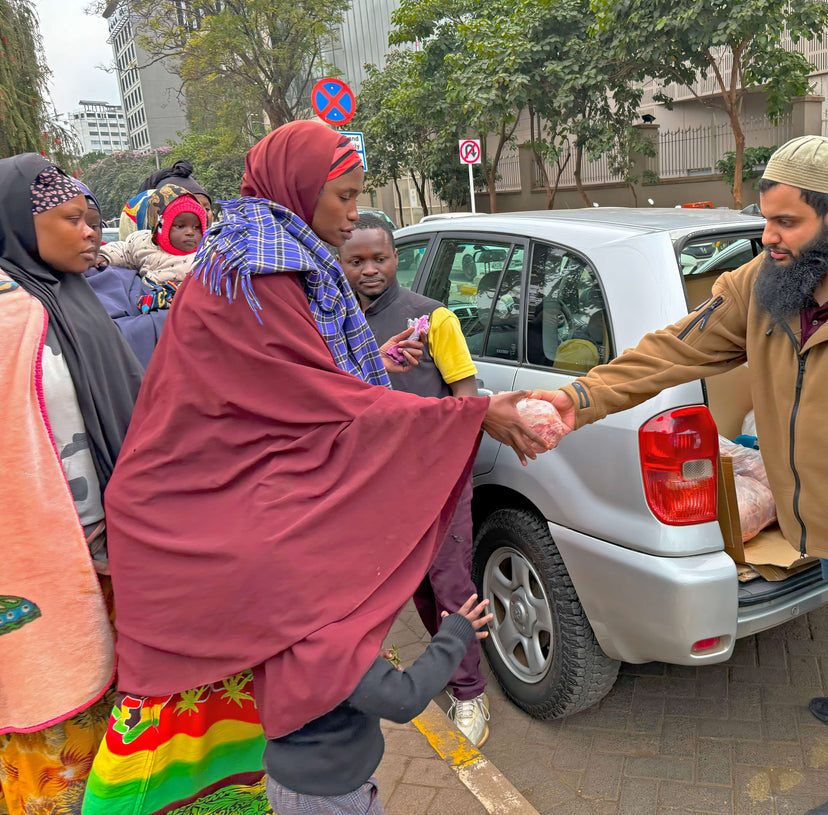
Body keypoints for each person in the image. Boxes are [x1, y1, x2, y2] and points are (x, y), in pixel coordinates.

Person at [530, 136, 828, 815]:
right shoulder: (765, 286)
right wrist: (578, 397)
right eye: (765, 219)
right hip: (808, 518)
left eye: (786, 222)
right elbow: (673, 350)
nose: (769, 238)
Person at [82, 120, 543, 815]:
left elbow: (299, 382)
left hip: (213, 492)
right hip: (218, 508)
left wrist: (376, 371)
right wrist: (474, 415)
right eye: (346, 195)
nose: (355, 212)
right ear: (301, 188)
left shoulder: (262, 254)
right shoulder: (264, 271)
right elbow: (315, 402)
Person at [0, 154, 142, 815]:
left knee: (125, 735)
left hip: (117, 556)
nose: (91, 231)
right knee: (57, 753)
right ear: (22, 227)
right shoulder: (7, 315)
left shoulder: (78, 301)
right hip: (44, 570)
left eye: (92, 218)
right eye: (72, 218)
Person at [339, 214, 491, 745]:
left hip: (438, 482)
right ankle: (437, 671)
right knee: (411, 588)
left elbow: (466, 399)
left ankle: (470, 693)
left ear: (396, 256)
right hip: (374, 486)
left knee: (451, 584)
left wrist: (453, 470)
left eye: (379, 258)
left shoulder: (432, 320)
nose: (369, 270)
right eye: (355, 261)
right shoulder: (334, 325)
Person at [265, 594, 492, 815]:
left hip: (288, 779)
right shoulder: (334, 646)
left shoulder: (290, 627)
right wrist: (454, 634)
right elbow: (404, 699)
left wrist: (365, 659)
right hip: (329, 797)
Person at [75, 180, 170, 368]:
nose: (88, 233)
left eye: (94, 225)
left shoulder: (125, 279)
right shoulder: (27, 294)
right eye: (72, 222)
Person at [100, 183, 208, 286]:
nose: (190, 232)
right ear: (160, 227)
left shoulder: (207, 256)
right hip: (146, 299)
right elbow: (124, 251)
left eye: (196, 227)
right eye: (180, 226)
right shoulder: (143, 243)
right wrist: (104, 256)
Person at [119, 159, 214, 240]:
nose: (202, 215)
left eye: (207, 209)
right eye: (188, 210)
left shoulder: (217, 257)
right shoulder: (115, 257)